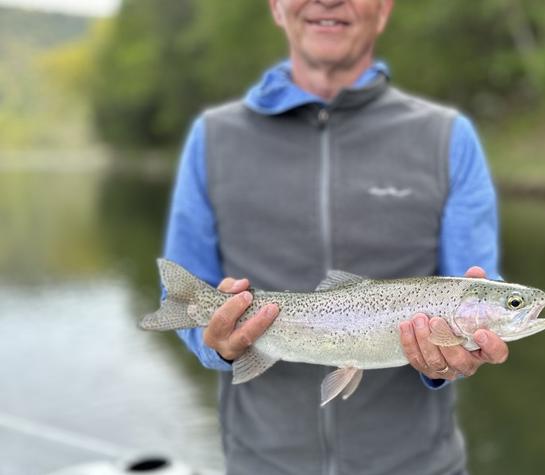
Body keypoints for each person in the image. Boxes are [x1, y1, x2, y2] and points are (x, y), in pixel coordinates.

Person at [163, 1, 509, 474]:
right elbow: (181, 296)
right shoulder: (211, 138)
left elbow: (478, 280)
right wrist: (216, 342)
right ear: (276, 7)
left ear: (384, 9)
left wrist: (450, 357)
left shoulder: (449, 137)